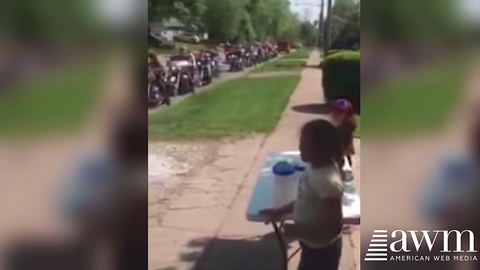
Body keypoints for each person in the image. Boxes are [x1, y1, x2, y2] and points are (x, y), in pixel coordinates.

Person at [261, 119, 344, 270]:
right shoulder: (313, 168)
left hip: (323, 252)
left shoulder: (328, 182)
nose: (300, 147)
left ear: (322, 149)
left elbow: (333, 228)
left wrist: (296, 230)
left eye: (305, 144)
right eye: (301, 141)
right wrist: (281, 210)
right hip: (310, 244)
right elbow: (304, 197)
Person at [330, 99, 357, 167]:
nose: (333, 114)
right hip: (342, 154)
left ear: (346, 115)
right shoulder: (344, 126)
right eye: (333, 111)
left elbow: (341, 146)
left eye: (337, 112)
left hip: (340, 156)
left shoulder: (343, 129)